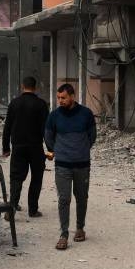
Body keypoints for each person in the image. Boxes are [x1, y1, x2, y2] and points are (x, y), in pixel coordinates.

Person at [45, 83, 97, 250]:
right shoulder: (54, 116)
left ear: (72, 96)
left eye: (64, 97)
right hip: (62, 165)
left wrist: (80, 149)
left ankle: (80, 228)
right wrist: (59, 151)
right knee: (64, 199)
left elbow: (92, 136)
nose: (60, 101)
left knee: (82, 197)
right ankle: (64, 234)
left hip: (82, 164)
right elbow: (48, 137)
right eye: (58, 98)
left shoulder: (86, 114)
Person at [2, 76, 49, 218]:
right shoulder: (41, 104)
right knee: (36, 177)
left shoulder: (14, 103)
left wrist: (6, 148)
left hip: (18, 147)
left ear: (22, 86)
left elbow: (7, 127)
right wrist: (51, 148)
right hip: (36, 147)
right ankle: (33, 209)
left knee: (16, 178)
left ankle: (12, 209)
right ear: (35, 88)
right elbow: (45, 129)